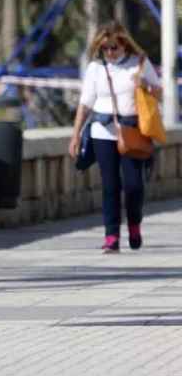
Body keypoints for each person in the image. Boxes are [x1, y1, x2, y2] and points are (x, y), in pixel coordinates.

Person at [69, 21, 162, 254]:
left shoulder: (139, 64)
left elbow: (159, 91)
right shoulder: (95, 68)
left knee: (133, 185)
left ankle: (134, 224)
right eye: (105, 48)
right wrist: (76, 134)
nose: (110, 53)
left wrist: (146, 86)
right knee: (110, 186)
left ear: (124, 45)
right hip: (102, 132)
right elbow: (85, 103)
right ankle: (111, 236)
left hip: (131, 132)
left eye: (114, 48)